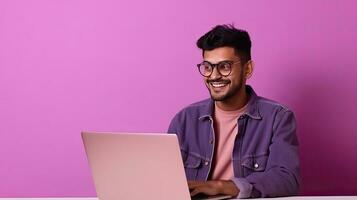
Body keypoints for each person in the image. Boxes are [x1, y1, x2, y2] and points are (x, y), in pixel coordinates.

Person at [168, 24, 300, 198]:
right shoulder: (184, 120)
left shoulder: (278, 118)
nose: (214, 76)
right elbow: (165, 180)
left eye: (224, 66)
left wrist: (221, 186)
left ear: (247, 69)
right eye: (208, 67)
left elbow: (286, 179)